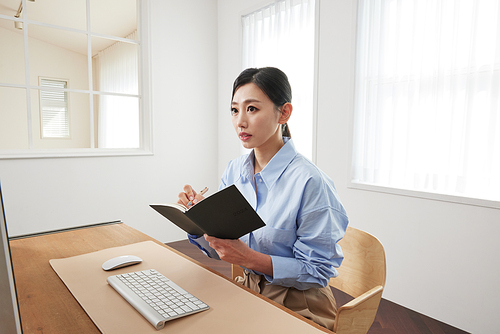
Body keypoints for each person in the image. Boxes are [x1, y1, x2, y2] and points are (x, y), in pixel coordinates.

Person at [177, 67, 348, 330]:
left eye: (252, 109)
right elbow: (222, 251)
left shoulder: (311, 182)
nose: (240, 122)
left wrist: (248, 258)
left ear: (284, 113)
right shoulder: (234, 171)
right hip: (248, 290)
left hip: (301, 305)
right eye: (234, 110)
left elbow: (318, 272)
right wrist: (200, 221)